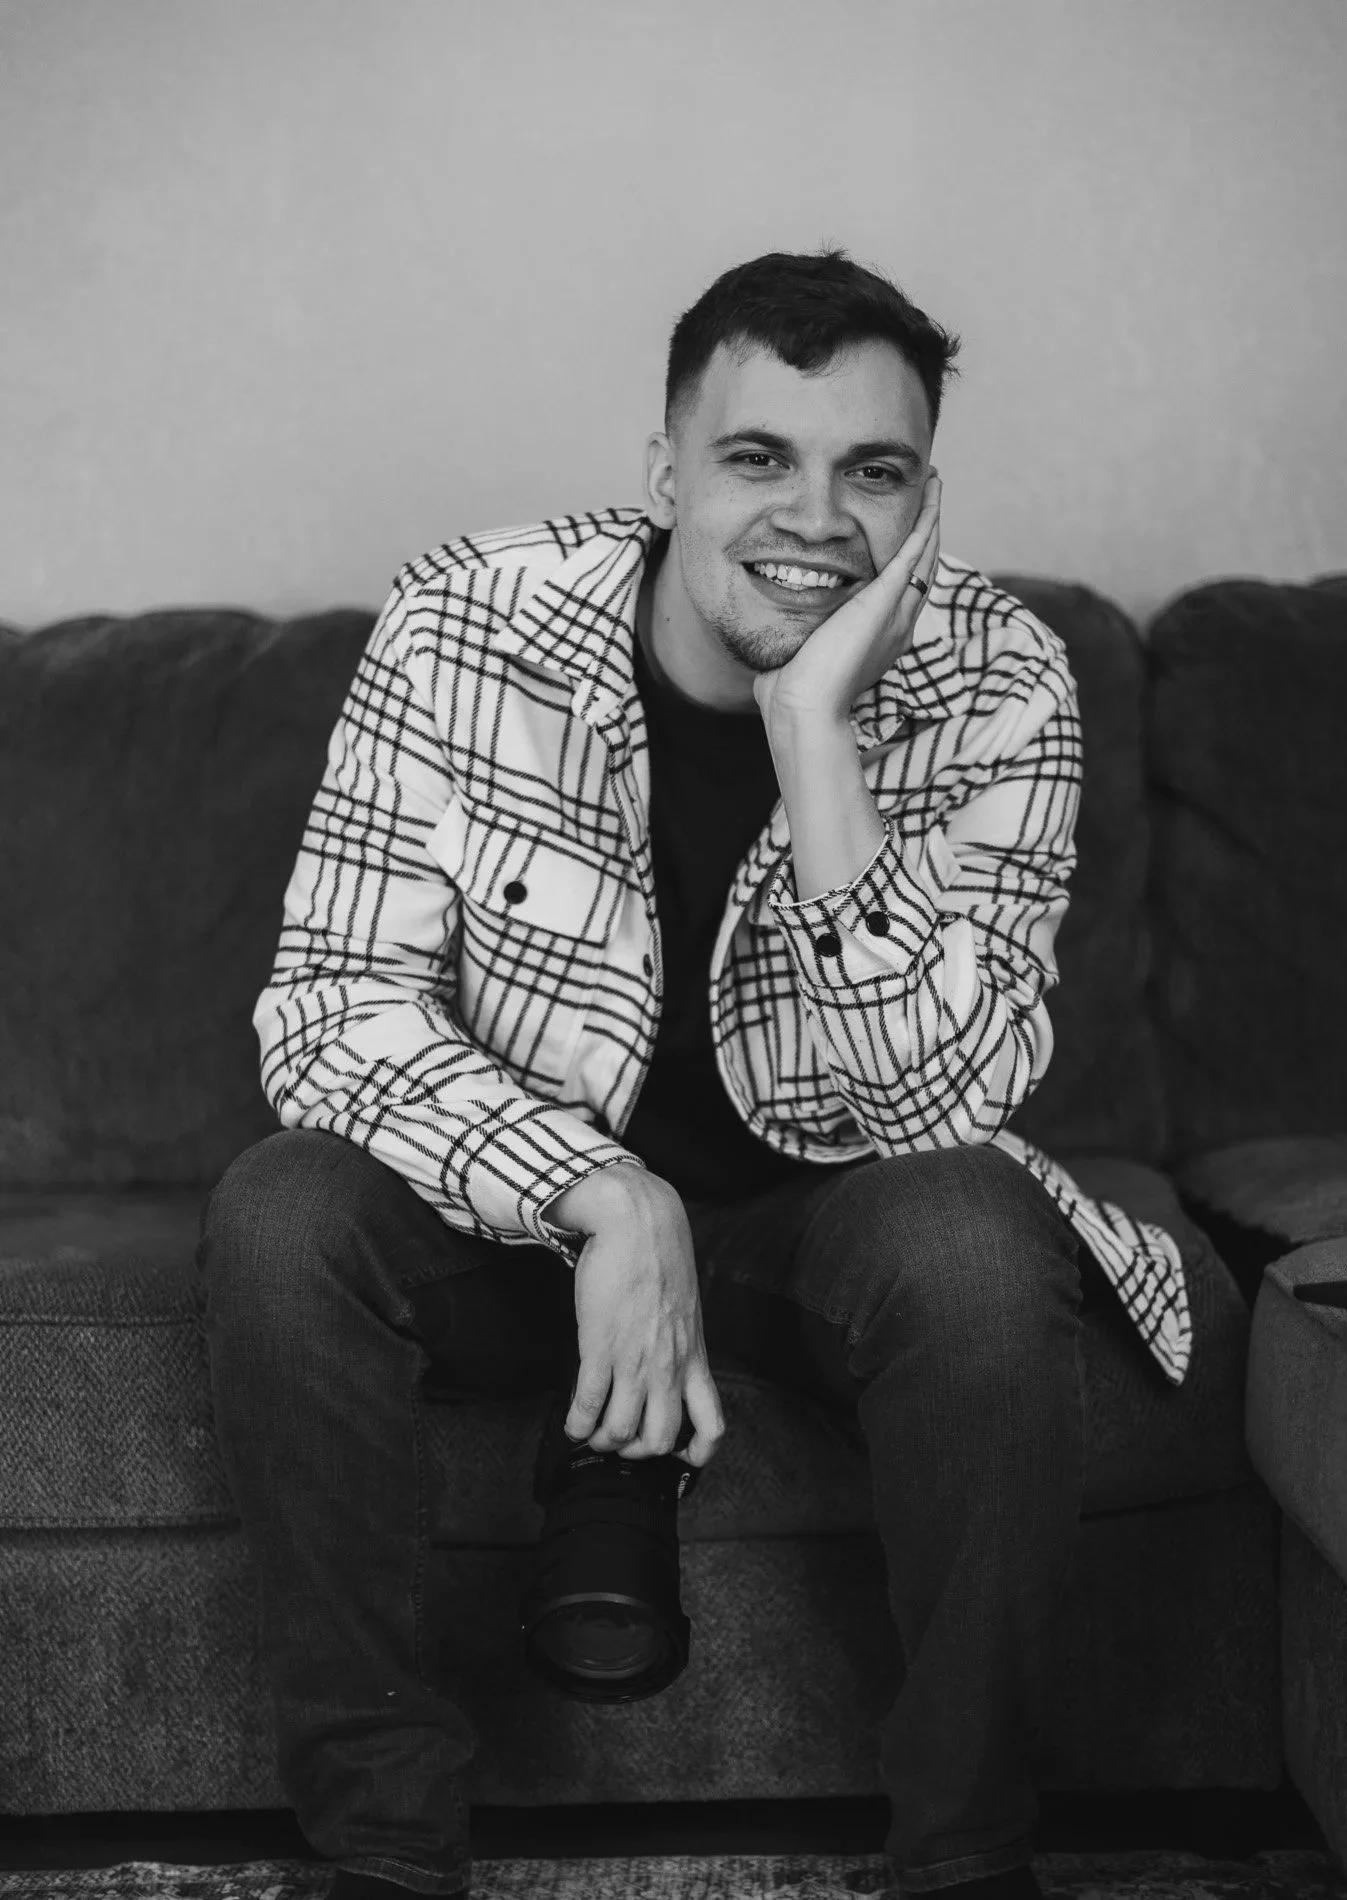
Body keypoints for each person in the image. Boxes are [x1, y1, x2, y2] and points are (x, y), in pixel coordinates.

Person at [196, 248, 1192, 1900]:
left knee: (969, 1239)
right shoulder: (471, 615)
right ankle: (378, 1858)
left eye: (870, 472)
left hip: (827, 1229)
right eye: (757, 459)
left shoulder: (1003, 680)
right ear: (663, 471)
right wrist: (602, 1192)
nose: (815, 517)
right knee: (282, 1212)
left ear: (924, 498)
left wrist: (818, 741)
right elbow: (328, 1010)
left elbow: (948, 1113)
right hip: (522, 1231)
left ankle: (968, 1863)